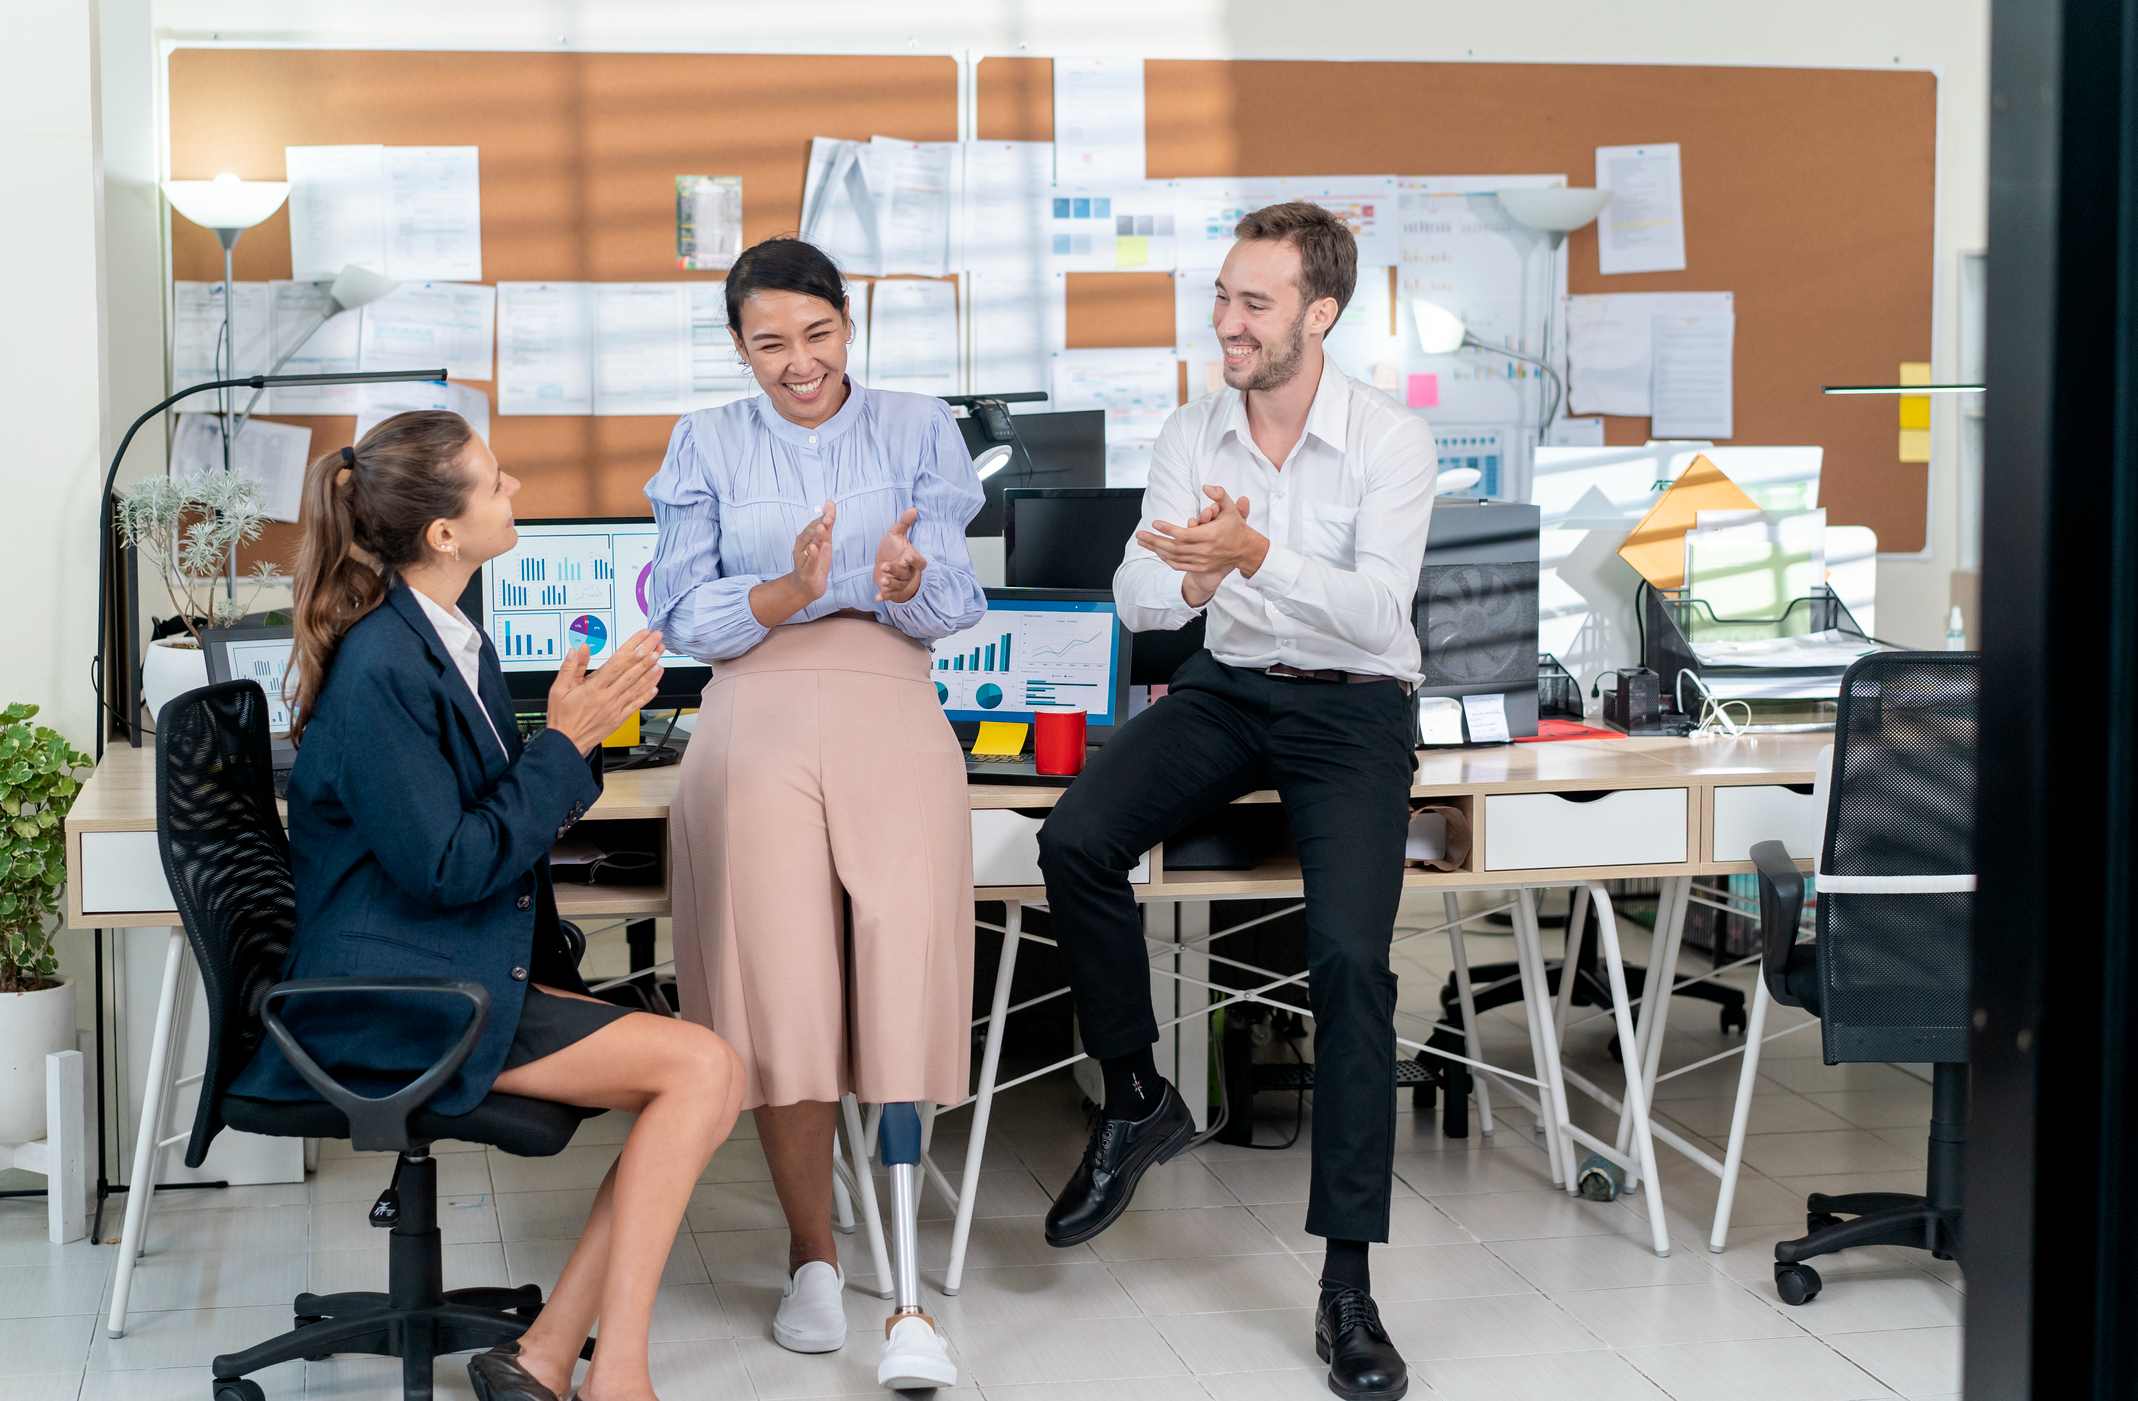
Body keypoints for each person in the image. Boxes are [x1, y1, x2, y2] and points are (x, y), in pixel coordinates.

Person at [230, 411, 746, 1401]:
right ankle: (608, 1376)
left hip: (442, 968)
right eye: (496, 483)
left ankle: (552, 1359)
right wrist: (568, 745)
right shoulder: (385, 666)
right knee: (701, 1069)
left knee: (703, 1073)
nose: (515, 491)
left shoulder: (447, 642)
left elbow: (478, 823)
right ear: (443, 534)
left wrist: (565, 739)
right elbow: (451, 863)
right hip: (397, 998)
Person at [1036, 202, 1436, 1401]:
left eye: (1251, 303)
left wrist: (1257, 560)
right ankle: (1138, 1097)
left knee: (1350, 963)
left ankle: (1346, 1287)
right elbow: (1139, 601)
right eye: (1220, 297)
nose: (1225, 323)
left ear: (1319, 313)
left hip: (1355, 705)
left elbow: (1378, 614)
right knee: (1075, 840)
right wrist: (1192, 569)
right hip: (1229, 685)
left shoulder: (1386, 440)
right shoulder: (1191, 426)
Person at [644, 236, 985, 1387]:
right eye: (769, 344)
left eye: (818, 334)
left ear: (851, 322)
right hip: (754, 714)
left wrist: (906, 588)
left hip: (890, 701)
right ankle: (813, 1259)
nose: (799, 364)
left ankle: (905, 1289)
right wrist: (782, 593)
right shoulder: (704, 442)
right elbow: (684, 610)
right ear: (738, 347)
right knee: (777, 992)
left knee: (899, 981)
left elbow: (954, 596)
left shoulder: (918, 427)